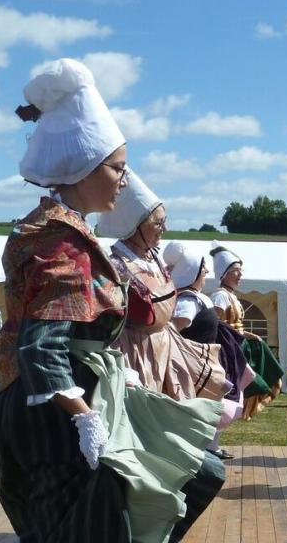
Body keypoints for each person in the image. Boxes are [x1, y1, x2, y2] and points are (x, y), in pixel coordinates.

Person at [0, 59, 225, 543]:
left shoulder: (54, 230)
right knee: (88, 532)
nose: (123, 180)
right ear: (80, 170)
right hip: (50, 410)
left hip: (21, 400)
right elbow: (44, 344)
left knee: (72, 531)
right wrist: (81, 415)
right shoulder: (63, 245)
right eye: (116, 167)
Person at [97, 172, 229, 406]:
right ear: (135, 225)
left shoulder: (154, 260)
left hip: (165, 351)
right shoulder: (116, 265)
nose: (164, 228)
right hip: (134, 357)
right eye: (158, 222)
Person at [162, 240, 252, 460]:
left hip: (205, 361)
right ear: (192, 272)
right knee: (201, 410)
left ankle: (205, 449)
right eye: (203, 270)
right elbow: (175, 327)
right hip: (194, 364)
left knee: (216, 406)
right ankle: (194, 454)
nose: (207, 273)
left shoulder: (197, 297)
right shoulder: (188, 300)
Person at [210, 246, 284, 418]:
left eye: (240, 271)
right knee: (239, 389)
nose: (240, 275)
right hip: (228, 351)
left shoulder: (231, 295)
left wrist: (247, 335)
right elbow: (215, 324)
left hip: (237, 347)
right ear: (224, 273)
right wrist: (241, 335)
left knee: (247, 385)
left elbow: (234, 325)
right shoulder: (220, 296)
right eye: (235, 271)